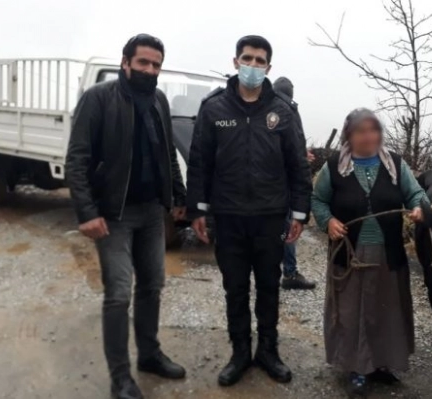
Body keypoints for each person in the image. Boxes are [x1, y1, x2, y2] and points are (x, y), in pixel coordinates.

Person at [65, 34, 187, 399]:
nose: (150, 70)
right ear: (125, 62)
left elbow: (167, 154)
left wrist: (177, 196)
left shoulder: (159, 101)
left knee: (152, 286)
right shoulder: (98, 99)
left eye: (156, 65)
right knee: (118, 295)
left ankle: (149, 356)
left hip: (152, 212)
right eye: (143, 63)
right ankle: (120, 377)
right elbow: (77, 159)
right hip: (113, 214)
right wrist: (87, 212)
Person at [186, 35, 312, 387]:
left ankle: (268, 351)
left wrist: (300, 213)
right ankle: (240, 352)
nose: (253, 66)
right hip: (228, 219)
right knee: (235, 289)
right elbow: (199, 163)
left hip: (270, 217)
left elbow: (297, 166)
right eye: (247, 58)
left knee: (269, 287)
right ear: (235, 61)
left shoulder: (282, 112)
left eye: (260, 61)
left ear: (269, 67)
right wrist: (197, 210)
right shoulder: (214, 108)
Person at [311, 108, 427, 395]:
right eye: (361, 131)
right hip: (349, 254)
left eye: (373, 130)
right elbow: (318, 199)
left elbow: (417, 194)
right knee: (352, 312)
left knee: (386, 311)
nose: (368, 136)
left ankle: (382, 364)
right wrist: (329, 221)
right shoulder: (335, 166)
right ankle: (356, 367)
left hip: (388, 253)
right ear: (349, 134)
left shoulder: (395, 165)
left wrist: (418, 207)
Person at [272, 76, 316, 290]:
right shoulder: (289, 109)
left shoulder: (263, 108)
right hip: (286, 183)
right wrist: (300, 157)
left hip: (267, 185)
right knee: (288, 227)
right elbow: (293, 142)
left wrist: (300, 153)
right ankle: (289, 274)